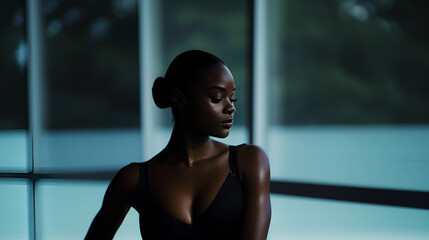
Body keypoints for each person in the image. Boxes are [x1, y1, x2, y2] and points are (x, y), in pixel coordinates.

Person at [85, 50, 271, 239]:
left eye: (232, 98)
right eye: (216, 98)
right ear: (179, 99)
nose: (231, 107)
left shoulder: (249, 162)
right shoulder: (133, 179)